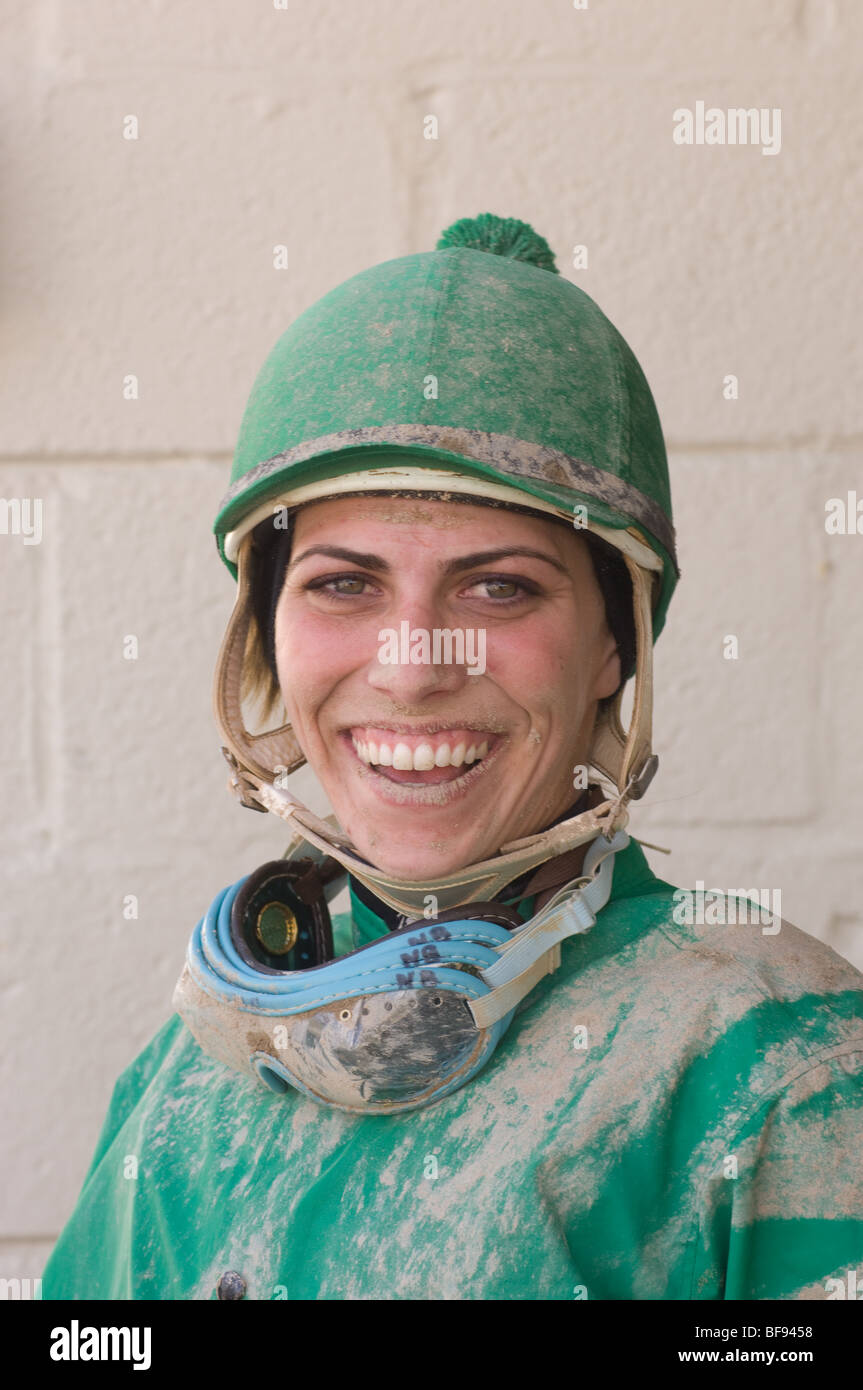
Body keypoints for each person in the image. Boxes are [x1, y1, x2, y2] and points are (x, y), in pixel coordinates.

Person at [42, 214, 863, 1301]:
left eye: (499, 586)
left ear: (614, 640)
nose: (414, 666)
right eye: (344, 583)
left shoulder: (783, 1068)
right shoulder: (188, 1079)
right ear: (266, 631)